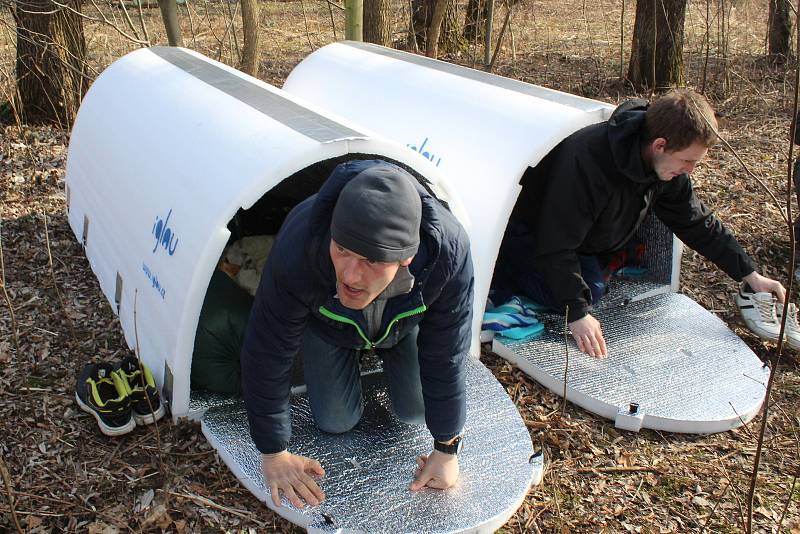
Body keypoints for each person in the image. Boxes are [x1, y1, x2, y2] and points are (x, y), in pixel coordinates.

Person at [240, 159, 474, 508]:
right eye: (342, 250)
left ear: (406, 257)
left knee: (416, 412)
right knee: (336, 420)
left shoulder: (448, 253)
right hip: (330, 326)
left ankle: (388, 347)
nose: (350, 274)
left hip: (400, 325)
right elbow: (267, 350)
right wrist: (273, 452)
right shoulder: (301, 243)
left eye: (372, 261)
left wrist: (446, 449)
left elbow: (447, 352)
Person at [493, 89, 786, 358]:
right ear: (660, 145)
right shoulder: (588, 160)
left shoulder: (666, 167)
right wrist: (577, 313)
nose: (690, 170)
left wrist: (749, 274)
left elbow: (695, 221)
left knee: (593, 281)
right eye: (687, 161)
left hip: (586, 240)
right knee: (587, 293)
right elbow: (555, 242)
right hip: (533, 234)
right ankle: (504, 273)